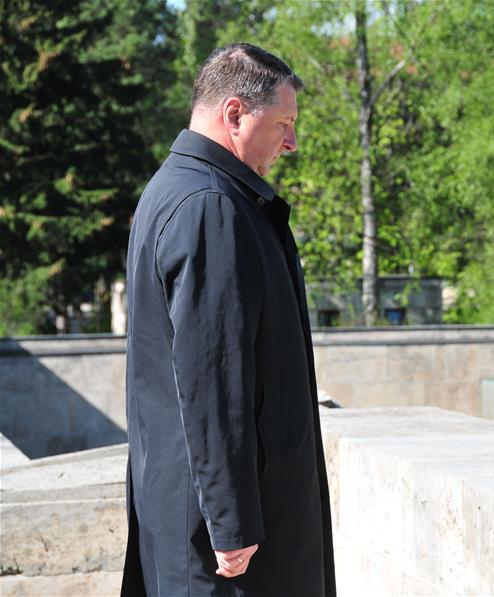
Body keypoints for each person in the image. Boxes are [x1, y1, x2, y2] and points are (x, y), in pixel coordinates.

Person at [121, 43, 335, 596]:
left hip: (199, 524)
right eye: (284, 123)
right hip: (228, 551)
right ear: (235, 114)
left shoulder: (175, 188)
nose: (291, 142)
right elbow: (212, 377)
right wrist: (231, 522)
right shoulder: (208, 205)